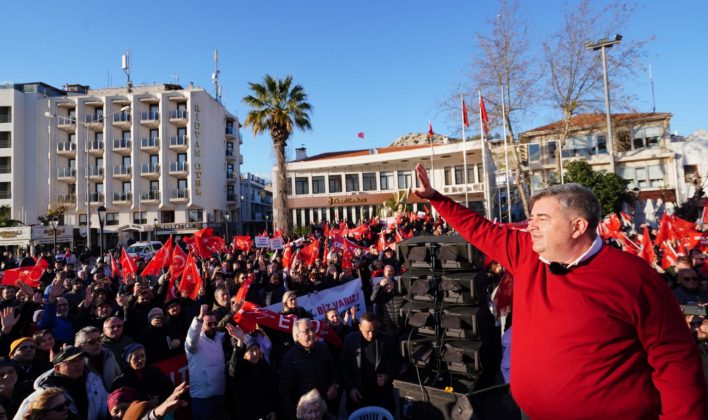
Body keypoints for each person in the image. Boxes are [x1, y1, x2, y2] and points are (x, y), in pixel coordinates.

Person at [412, 162, 708, 419]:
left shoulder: (633, 277)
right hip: (530, 413)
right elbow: (480, 230)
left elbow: (675, 361)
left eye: (542, 219)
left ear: (577, 226)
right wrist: (436, 199)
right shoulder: (524, 254)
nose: (531, 227)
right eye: (531, 219)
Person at [14, 347, 108, 419]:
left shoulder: (95, 381)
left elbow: (105, 407)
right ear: (57, 368)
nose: (78, 364)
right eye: (72, 361)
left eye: (80, 359)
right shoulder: (42, 394)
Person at [279, 319, 339, 420]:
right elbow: (285, 392)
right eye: (307, 331)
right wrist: (295, 416)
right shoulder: (289, 358)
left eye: (313, 329)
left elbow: (334, 370)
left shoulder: (323, 347)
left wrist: (334, 385)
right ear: (297, 336)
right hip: (306, 413)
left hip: (326, 409)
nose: (311, 333)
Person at [340, 312, 398, 414]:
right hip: (359, 395)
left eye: (374, 331)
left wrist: (387, 376)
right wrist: (351, 388)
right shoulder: (350, 340)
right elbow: (344, 367)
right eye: (367, 331)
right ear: (359, 327)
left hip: (381, 395)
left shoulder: (388, 339)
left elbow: (396, 363)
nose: (371, 335)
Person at [185, 305, 230, 420]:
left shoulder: (219, 337)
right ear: (200, 326)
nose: (213, 326)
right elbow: (191, 338)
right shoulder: (194, 344)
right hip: (202, 400)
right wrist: (199, 318)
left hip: (220, 395)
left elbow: (225, 323)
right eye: (209, 324)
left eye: (214, 323)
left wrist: (234, 311)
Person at [225, 325, 278, 420]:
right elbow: (233, 371)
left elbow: (271, 389)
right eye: (251, 350)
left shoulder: (263, 365)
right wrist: (240, 341)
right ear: (243, 354)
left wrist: (272, 409)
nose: (255, 353)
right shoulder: (237, 366)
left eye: (256, 349)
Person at [74, 326, 120, 391]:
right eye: (91, 342)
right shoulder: (77, 364)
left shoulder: (109, 354)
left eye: (99, 339)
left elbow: (118, 376)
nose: (97, 344)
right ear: (79, 346)